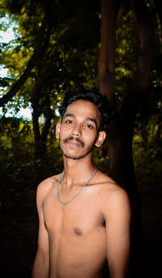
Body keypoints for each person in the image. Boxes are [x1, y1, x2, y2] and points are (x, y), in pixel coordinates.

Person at [32, 88, 131, 278]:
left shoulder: (112, 197)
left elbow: (119, 274)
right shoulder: (45, 189)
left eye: (88, 126)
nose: (76, 132)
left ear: (99, 138)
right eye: (70, 121)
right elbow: (43, 257)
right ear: (59, 130)